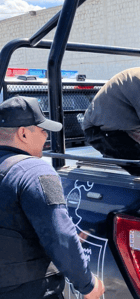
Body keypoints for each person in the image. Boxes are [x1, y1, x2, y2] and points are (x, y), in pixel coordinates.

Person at [0, 96, 105, 299]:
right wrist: (88, 285)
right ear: (23, 133)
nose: (47, 136)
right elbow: (61, 237)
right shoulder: (35, 171)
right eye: (42, 130)